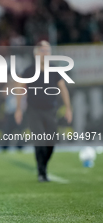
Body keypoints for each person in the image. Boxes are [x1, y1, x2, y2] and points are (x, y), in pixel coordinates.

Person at [14, 41, 73, 182]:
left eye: (48, 51)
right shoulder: (29, 71)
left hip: (51, 111)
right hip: (34, 111)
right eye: (43, 51)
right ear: (36, 54)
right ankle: (42, 172)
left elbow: (63, 89)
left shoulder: (55, 70)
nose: (45, 53)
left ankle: (43, 165)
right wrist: (18, 109)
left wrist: (68, 108)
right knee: (39, 140)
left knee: (51, 142)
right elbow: (20, 89)